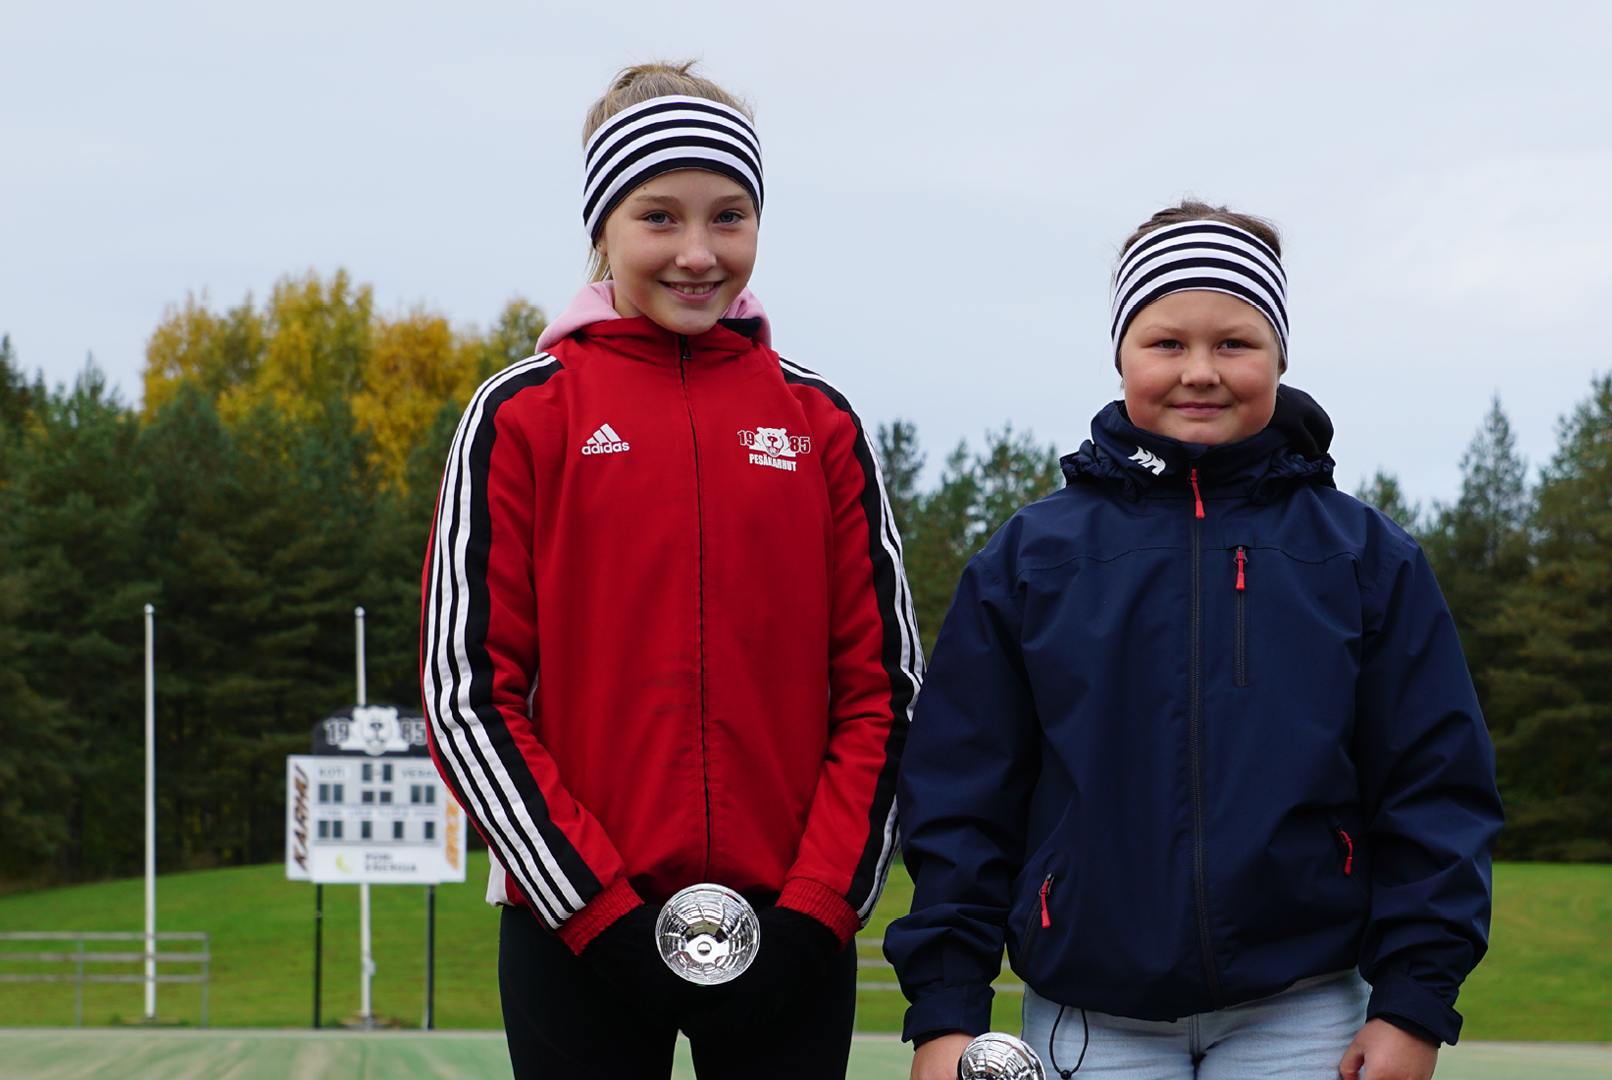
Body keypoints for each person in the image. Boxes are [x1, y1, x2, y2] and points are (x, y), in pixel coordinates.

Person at [884, 202, 1503, 1080]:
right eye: (1167, 343)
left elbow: (1435, 785)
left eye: (1235, 343)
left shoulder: (1363, 556)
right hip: (1089, 1020)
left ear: (1279, 356)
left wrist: (1413, 1002)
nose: (1201, 372)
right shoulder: (1032, 558)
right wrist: (947, 1008)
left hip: (1306, 1013)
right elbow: (961, 794)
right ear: (1122, 355)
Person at [419, 62, 920, 1080]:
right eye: (660, 217)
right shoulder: (521, 414)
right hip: (577, 934)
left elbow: (884, 693)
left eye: (729, 216)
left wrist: (819, 909)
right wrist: (595, 913)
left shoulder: (820, 424)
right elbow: (467, 693)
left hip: (790, 935)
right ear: (603, 228)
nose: (699, 252)